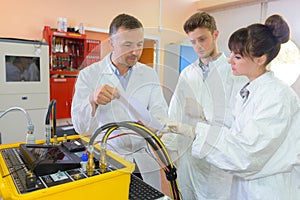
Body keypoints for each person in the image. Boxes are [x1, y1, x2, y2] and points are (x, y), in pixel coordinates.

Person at [163, 14, 300, 199]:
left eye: (236, 56)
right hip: (232, 173)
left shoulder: (277, 97)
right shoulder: (250, 91)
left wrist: (196, 129)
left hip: (265, 187)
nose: (230, 61)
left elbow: (246, 153)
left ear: (260, 59)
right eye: (193, 41)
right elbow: (237, 136)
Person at [71, 14, 168, 191]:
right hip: (108, 158)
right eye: (128, 45)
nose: (135, 52)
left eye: (139, 44)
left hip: (143, 157)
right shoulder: (89, 75)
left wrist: (154, 125)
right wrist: (92, 100)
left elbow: (160, 113)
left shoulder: (148, 74)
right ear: (112, 44)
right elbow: (81, 127)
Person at [161, 12, 246, 199]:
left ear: (215, 35)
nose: (198, 46)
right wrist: (170, 153)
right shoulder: (188, 74)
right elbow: (174, 114)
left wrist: (204, 116)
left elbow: (238, 121)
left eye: (202, 39)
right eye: (192, 41)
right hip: (189, 158)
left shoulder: (234, 74)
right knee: (187, 193)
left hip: (218, 163)